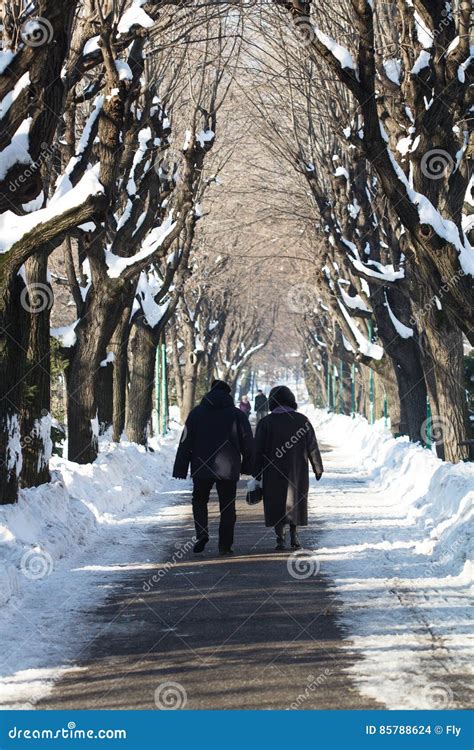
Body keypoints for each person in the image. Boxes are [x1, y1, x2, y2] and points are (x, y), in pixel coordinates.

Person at [173, 379, 254, 555]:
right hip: (229, 468)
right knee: (227, 506)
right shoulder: (237, 415)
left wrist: (181, 468)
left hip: (201, 466)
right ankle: (225, 545)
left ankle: (202, 533)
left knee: (199, 500)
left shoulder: (196, 414)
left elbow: (185, 442)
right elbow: (248, 442)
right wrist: (248, 466)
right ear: (228, 395)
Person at [253, 385, 323, 551]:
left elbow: (257, 450)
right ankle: (294, 534)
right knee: (294, 502)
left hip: (272, 471)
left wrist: (255, 471)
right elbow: (312, 446)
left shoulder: (265, 423)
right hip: (296, 470)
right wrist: (317, 467)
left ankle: (280, 537)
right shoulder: (302, 420)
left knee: (275, 502)